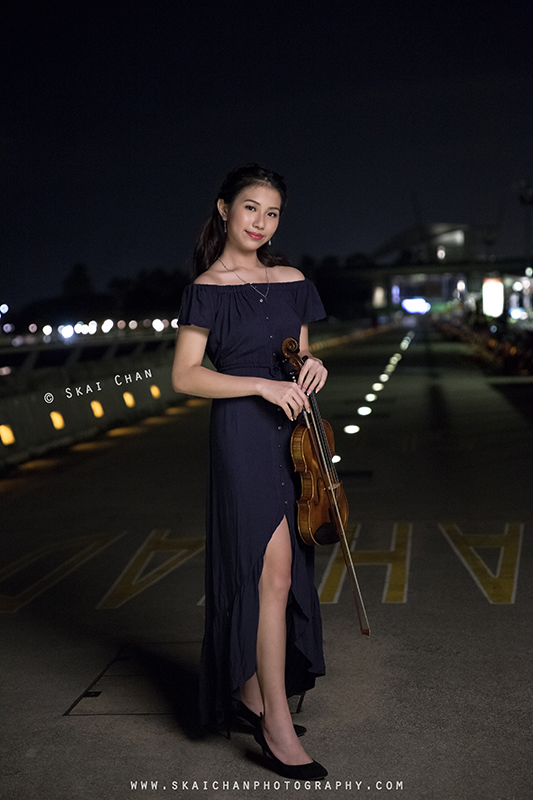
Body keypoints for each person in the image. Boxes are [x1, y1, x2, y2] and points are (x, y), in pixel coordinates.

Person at [172, 163, 329, 779]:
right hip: (242, 435)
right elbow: (185, 375)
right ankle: (275, 726)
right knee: (273, 571)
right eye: (250, 208)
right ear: (224, 209)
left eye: (273, 212)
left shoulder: (292, 281)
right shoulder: (207, 287)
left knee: (280, 575)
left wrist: (313, 367)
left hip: (294, 435)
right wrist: (259, 386)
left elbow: (299, 354)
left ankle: (252, 693)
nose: (261, 222)